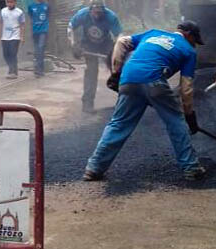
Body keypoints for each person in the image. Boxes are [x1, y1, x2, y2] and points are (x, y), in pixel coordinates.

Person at [83, 20, 208, 181]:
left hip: (128, 79)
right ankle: (191, 168)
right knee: (176, 122)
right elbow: (186, 88)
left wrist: (116, 72)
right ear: (188, 34)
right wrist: (189, 115)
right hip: (155, 80)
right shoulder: (188, 51)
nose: (194, 45)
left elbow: (121, 42)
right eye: (194, 41)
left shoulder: (153, 33)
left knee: (118, 124)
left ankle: (94, 168)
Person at [68, 0, 122, 113]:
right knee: (91, 72)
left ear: (103, 10)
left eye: (100, 13)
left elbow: (119, 36)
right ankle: (87, 104)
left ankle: (122, 101)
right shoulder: (82, 14)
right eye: (95, 12)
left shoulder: (111, 17)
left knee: (116, 69)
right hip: (88, 44)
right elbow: (70, 27)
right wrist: (73, 44)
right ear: (90, 10)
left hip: (106, 44)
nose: (97, 15)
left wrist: (116, 52)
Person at [0, 0, 25, 79]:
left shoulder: (19, 12)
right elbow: (0, 23)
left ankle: (13, 72)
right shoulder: (3, 11)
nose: (9, 4)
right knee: (6, 54)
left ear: (15, 2)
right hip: (5, 37)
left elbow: (22, 25)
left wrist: (22, 36)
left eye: (11, 2)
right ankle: (11, 68)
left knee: (13, 53)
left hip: (15, 36)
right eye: (8, 2)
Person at [27, 0, 49, 77]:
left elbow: (48, 17)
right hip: (35, 31)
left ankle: (39, 70)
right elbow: (31, 17)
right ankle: (40, 69)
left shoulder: (47, 6)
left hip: (43, 32)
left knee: (40, 49)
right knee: (37, 51)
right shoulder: (31, 6)